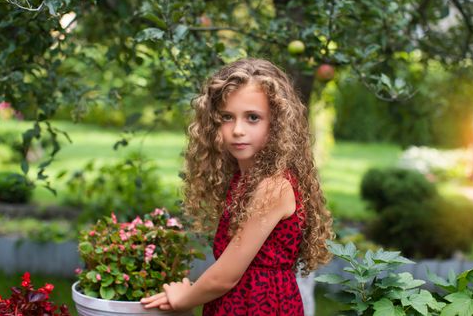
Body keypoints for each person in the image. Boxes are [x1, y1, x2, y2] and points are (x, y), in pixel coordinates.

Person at [140, 58, 334, 315]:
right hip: (238, 302)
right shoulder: (245, 178)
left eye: (253, 117)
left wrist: (183, 299)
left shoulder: (273, 187)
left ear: (277, 123)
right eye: (227, 117)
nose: (237, 130)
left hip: (259, 307)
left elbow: (225, 277)